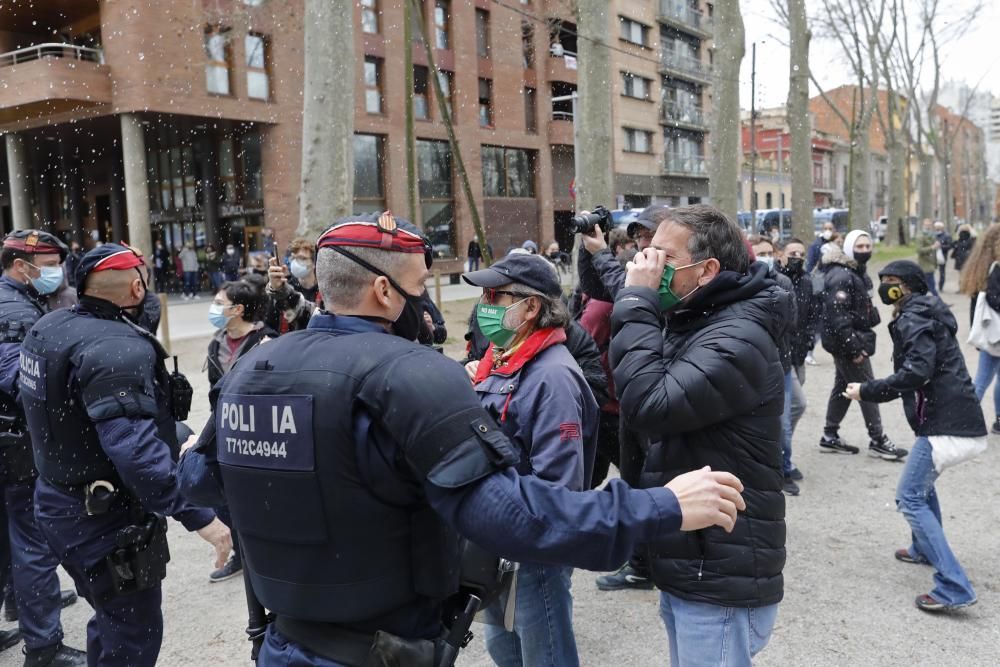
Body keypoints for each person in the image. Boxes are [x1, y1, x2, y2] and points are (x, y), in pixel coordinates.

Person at [178, 212, 748, 666]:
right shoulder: (412, 375)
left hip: (285, 640)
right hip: (382, 645)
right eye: (420, 288)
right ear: (382, 290)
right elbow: (516, 517)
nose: (431, 306)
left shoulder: (254, 369)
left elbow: (199, 480)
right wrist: (661, 506)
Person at [19, 243, 232, 667]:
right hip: (103, 519)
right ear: (137, 287)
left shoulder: (49, 327)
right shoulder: (117, 348)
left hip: (57, 501)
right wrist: (201, 518)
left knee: (110, 616)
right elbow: (134, 452)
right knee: (133, 635)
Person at [611, 205, 787, 666]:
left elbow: (648, 405)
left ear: (707, 269)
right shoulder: (699, 316)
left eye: (662, 258)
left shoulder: (737, 337)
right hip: (695, 556)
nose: (647, 267)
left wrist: (636, 302)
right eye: (645, 254)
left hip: (718, 567)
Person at [462, 253, 598, 666]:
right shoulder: (500, 361)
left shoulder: (551, 375)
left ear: (531, 307)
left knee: (545, 657)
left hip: (531, 552)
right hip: (497, 540)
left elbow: (558, 488)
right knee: (506, 651)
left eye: (494, 295)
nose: (484, 305)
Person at [845, 260, 986, 613]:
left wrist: (868, 390)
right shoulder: (923, 311)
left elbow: (916, 372)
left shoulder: (915, 316)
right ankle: (922, 547)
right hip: (949, 418)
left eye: (891, 281)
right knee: (924, 486)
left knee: (909, 496)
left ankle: (954, 586)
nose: (885, 287)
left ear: (907, 286)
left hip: (947, 422)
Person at [0, 231, 86, 666]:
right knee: (31, 540)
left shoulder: (16, 298)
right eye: (49, 264)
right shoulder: (12, 308)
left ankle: (16, 606)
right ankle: (44, 645)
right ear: (21, 266)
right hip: (14, 441)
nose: (57, 272)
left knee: (6, 539)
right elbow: (20, 382)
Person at [579, 206, 663, 592]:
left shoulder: (670, 282)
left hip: (646, 401)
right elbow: (598, 289)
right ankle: (643, 564)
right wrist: (587, 248)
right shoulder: (641, 271)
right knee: (633, 482)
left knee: (650, 483)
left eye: (649, 237)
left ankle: (653, 564)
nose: (642, 246)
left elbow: (625, 294)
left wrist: (600, 254)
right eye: (638, 238)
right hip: (627, 403)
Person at [204, 278, 276, 584]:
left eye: (220, 303)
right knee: (223, 492)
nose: (214, 308)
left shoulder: (266, 341)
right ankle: (241, 552)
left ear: (239, 309)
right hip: (225, 430)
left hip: (260, 432)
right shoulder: (215, 342)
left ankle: (268, 554)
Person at [818, 230, 906, 460]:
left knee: (843, 388)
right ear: (848, 248)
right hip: (848, 344)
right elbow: (839, 318)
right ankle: (878, 439)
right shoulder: (842, 276)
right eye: (860, 246)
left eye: (868, 246)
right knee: (866, 389)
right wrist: (854, 348)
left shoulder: (854, 271)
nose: (865, 250)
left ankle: (829, 434)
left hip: (850, 340)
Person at [749, 235, 800, 496]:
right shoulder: (744, 283)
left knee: (786, 421)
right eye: (760, 253)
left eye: (769, 252)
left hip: (781, 362)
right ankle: (775, 467)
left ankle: (785, 468)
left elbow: (790, 323)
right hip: (756, 365)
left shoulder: (783, 282)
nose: (766, 257)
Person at [777, 238, 819, 484]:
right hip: (782, 357)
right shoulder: (773, 279)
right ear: (780, 254)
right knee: (788, 412)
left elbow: (813, 313)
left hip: (798, 355)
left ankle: (778, 450)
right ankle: (783, 464)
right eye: (792, 252)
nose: (797, 257)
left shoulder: (806, 281)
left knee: (793, 408)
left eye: (801, 253)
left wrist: (808, 341)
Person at [958, 224, 1000, 432]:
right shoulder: (996, 268)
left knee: (985, 378)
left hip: (989, 333)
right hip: (996, 334)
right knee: (983, 378)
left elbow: (977, 306)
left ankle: (970, 418)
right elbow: (994, 300)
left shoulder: (980, 267)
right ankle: (966, 418)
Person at [265, 237, 321, 334]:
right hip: (288, 343)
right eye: (294, 258)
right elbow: (270, 324)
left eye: (302, 258)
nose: (296, 262)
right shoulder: (284, 285)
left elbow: (320, 318)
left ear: (314, 263)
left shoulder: (323, 289)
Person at [916, 219, 940, 297]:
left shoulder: (932, 235)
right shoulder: (920, 236)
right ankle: (940, 304)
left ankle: (923, 303)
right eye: (926, 225)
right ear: (923, 225)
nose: (928, 226)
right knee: (931, 286)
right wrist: (932, 247)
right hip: (925, 264)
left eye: (929, 225)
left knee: (927, 287)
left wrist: (936, 245)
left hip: (931, 263)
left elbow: (934, 251)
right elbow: (919, 250)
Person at [933, 221, 953, 292]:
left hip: (942, 256)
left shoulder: (947, 236)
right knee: (930, 271)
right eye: (936, 227)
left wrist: (941, 246)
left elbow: (950, 246)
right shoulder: (932, 235)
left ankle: (940, 286)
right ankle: (931, 286)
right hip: (932, 256)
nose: (937, 229)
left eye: (939, 227)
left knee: (942, 272)